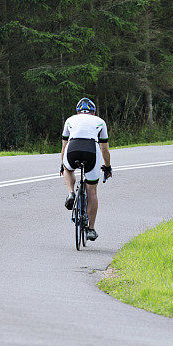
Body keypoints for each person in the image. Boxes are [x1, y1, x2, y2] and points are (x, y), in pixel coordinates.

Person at [60, 97, 112, 241]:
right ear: (93, 112)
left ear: (77, 111)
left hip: (73, 148)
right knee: (92, 191)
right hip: (91, 151)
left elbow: (64, 146)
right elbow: (105, 150)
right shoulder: (100, 121)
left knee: (68, 169)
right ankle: (91, 229)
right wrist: (107, 167)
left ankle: (71, 193)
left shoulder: (70, 120)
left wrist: (62, 164)